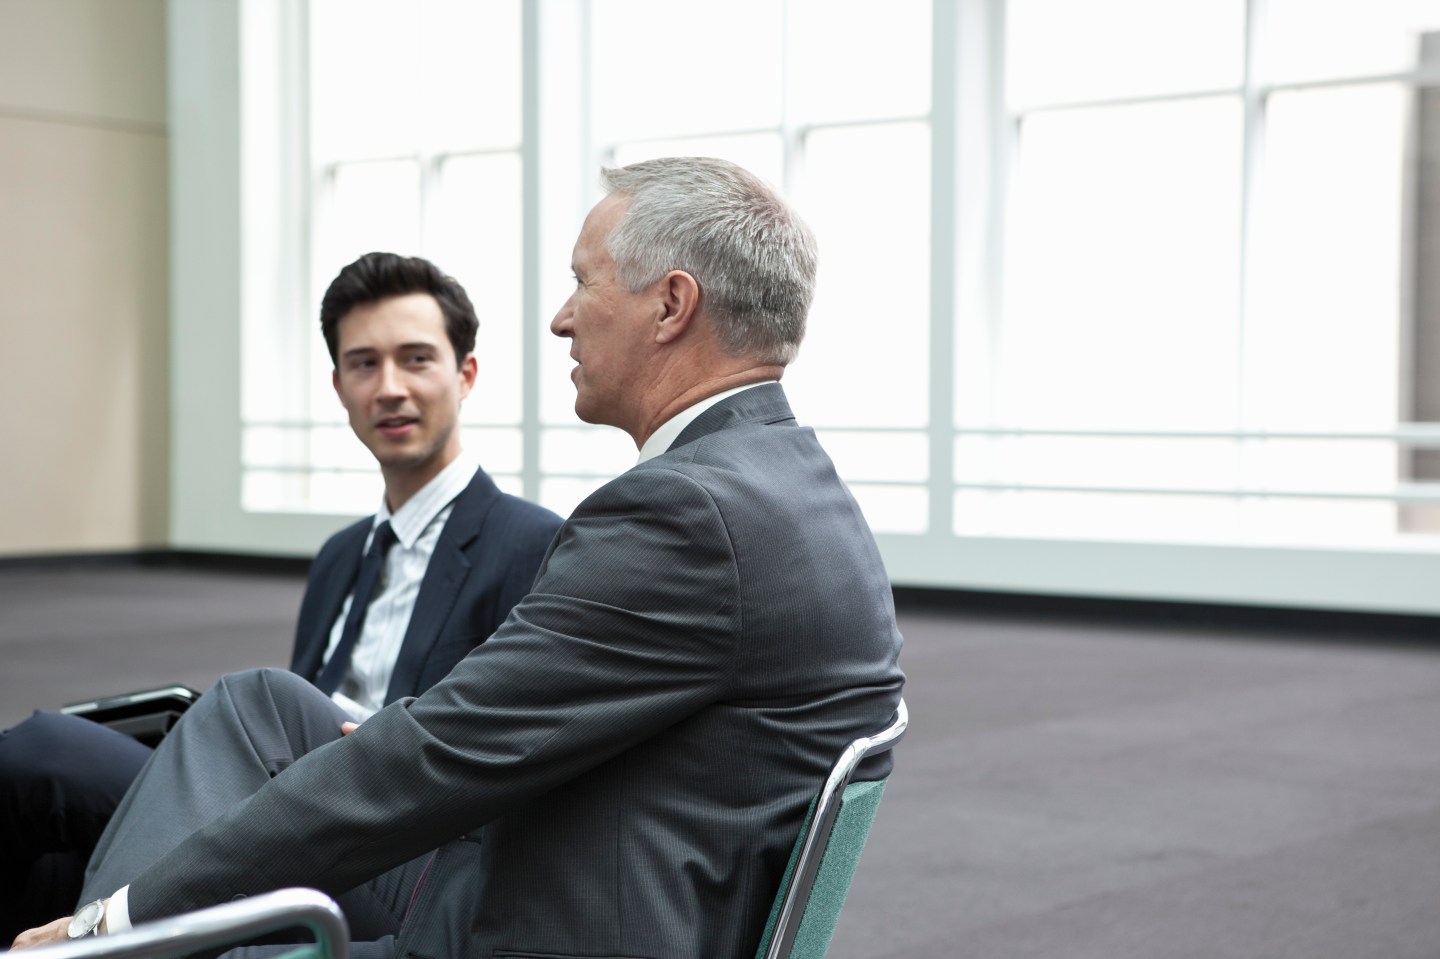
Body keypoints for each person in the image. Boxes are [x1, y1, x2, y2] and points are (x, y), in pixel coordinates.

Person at [14, 156, 906, 959]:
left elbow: (438, 757)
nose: (561, 319)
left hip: (543, 922)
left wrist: (122, 918)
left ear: (671, 305)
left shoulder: (687, 512)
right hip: (582, 860)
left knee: (107, 875)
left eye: (581, 283)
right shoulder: (786, 480)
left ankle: (97, 950)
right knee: (258, 704)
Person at [0, 252, 562, 944]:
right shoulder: (340, 557)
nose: (389, 387)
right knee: (54, 864)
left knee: (45, 757)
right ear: (337, 384)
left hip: (393, 844)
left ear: (465, 373)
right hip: (287, 807)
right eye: (364, 363)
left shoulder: (533, 545)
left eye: (416, 359)